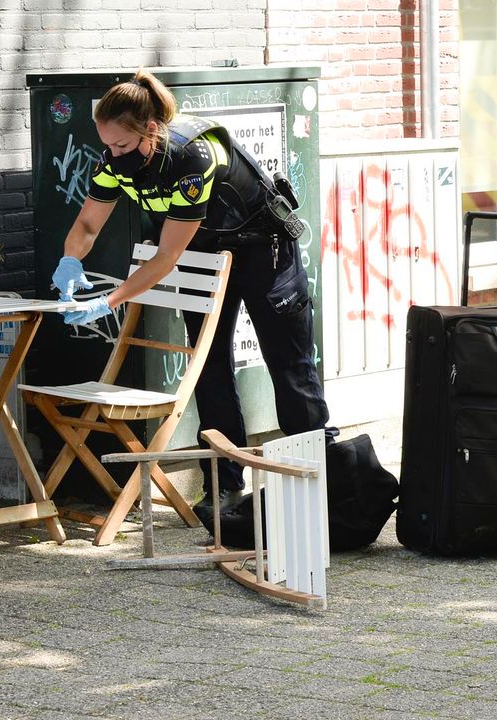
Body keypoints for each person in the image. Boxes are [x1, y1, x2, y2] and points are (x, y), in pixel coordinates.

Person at [52, 69, 332, 519]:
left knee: (290, 368)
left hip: (264, 250)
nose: (113, 154)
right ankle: (225, 487)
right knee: (209, 367)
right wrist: (70, 261)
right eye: (107, 146)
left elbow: (164, 258)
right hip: (205, 251)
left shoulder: (193, 158)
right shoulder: (116, 164)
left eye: (121, 146)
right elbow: (87, 224)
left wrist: (110, 301)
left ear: (150, 129)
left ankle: (320, 480)